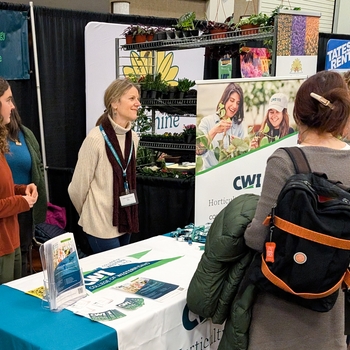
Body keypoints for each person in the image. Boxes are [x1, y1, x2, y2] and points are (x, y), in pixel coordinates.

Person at [244, 70, 350, 350]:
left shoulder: (285, 161)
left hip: (279, 306)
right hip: (329, 304)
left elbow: (258, 238)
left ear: (298, 114)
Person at [68, 78, 140, 254]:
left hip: (126, 219)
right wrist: (91, 214)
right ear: (114, 103)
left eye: (138, 99)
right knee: (115, 272)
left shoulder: (134, 138)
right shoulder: (95, 139)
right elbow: (77, 188)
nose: (138, 104)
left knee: (124, 274)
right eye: (131, 99)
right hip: (100, 224)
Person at [0, 77, 38, 284]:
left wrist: (22, 189)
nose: (13, 106)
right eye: (8, 100)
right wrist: (21, 202)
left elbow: (4, 188)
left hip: (11, 240)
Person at [5, 103, 47, 276]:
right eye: (7, 101)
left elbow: (37, 166)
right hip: (5, 209)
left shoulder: (26, 134)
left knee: (22, 256)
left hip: (24, 206)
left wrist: (33, 189)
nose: (12, 106)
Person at [197, 82, 244, 170]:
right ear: (225, 100)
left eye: (238, 103)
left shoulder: (239, 127)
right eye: (232, 100)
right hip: (210, 175)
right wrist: (214, 131)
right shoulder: (207, 122)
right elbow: (198, 149)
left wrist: (240, 146)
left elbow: (243, 159)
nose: (234, 106)